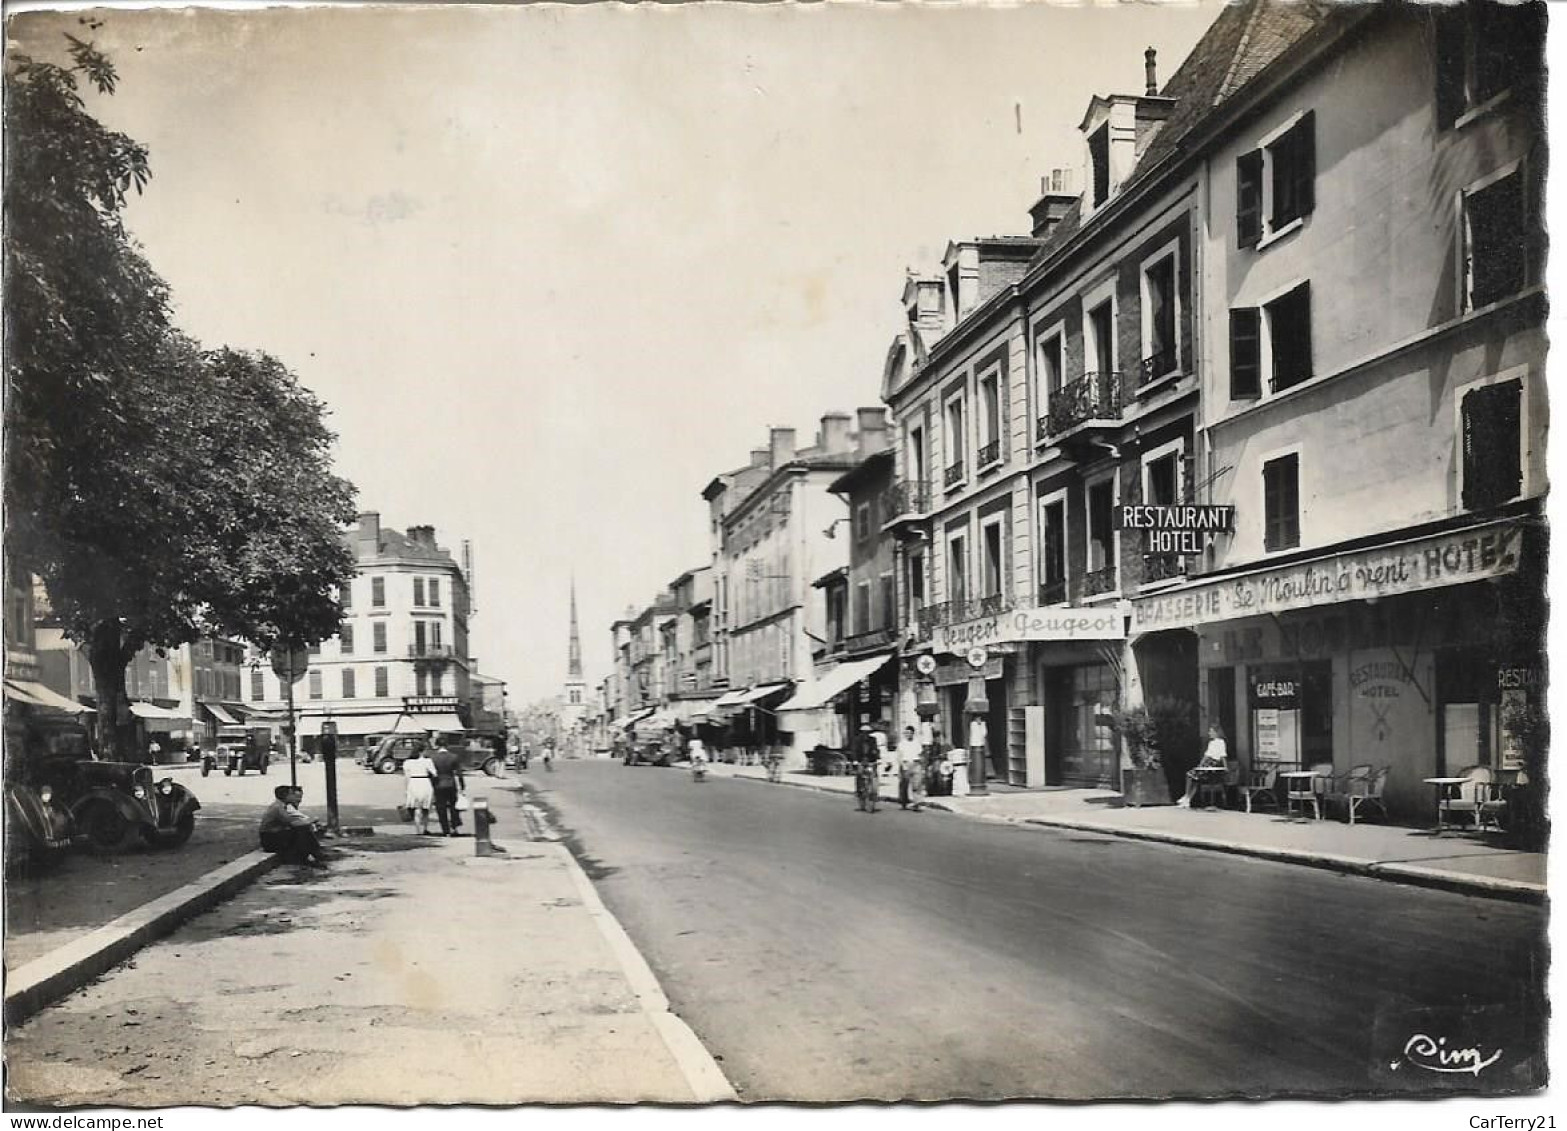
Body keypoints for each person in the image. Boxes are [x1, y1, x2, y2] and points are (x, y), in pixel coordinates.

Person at [259, 785, 329, 868]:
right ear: (285, 795)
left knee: (301, 830)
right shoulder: (278, 807)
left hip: (272, 837)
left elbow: (293, 821)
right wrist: (310, 821)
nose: (293, 796)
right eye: (291, 794)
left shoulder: (280, 805)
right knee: (302, 830)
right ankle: (312, 855)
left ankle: (314, 854)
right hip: (270, 840)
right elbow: (293, 823)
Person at [1177, 725, 1231, 808]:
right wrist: (1200, 765)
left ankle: (1187, 796)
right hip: (1207, 762)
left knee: (1191, 776)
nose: (1209, 733)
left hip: (1213, 763)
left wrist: (1225, 766)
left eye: (1211, 731)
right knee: (1193, 778)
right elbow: (1206, 756)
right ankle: (1187, 799)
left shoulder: (1221, 742)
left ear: (1216, 733)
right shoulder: (1211, 743)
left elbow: (1223, 756)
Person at [430, 736, 466, 836]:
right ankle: (454, 827)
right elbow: (459, 773)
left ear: (437, 745)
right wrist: (462, 787)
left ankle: (445, 830)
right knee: (453, 806)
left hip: (438, 784)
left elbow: (431, 773)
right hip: (450, 783)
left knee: (441, 807)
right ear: (447, 745)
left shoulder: (433, 758)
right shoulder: (454, 757)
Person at [403, 739, 437, 834]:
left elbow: (406, 777)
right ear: (422, 751)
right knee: (426, 808)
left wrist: (406, 790)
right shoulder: (427, 761)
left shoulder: (408, 762)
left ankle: (418, 830)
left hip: (413, 783)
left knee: (417, 808)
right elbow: (434, 773)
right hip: (425, 782)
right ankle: (425, 828)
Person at [897, 726, 927, 811]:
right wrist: (902, 765)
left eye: (910, 733)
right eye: (906, 733)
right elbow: (899, 756)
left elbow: (921, 754)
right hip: (905, 764)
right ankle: (903, 802)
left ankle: (916, 803)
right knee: (904, 785)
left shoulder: (917, 743)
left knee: (917, 785)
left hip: (916, 764)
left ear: (913, 733)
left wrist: (922, 766)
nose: (908, 735)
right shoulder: (901, 743)